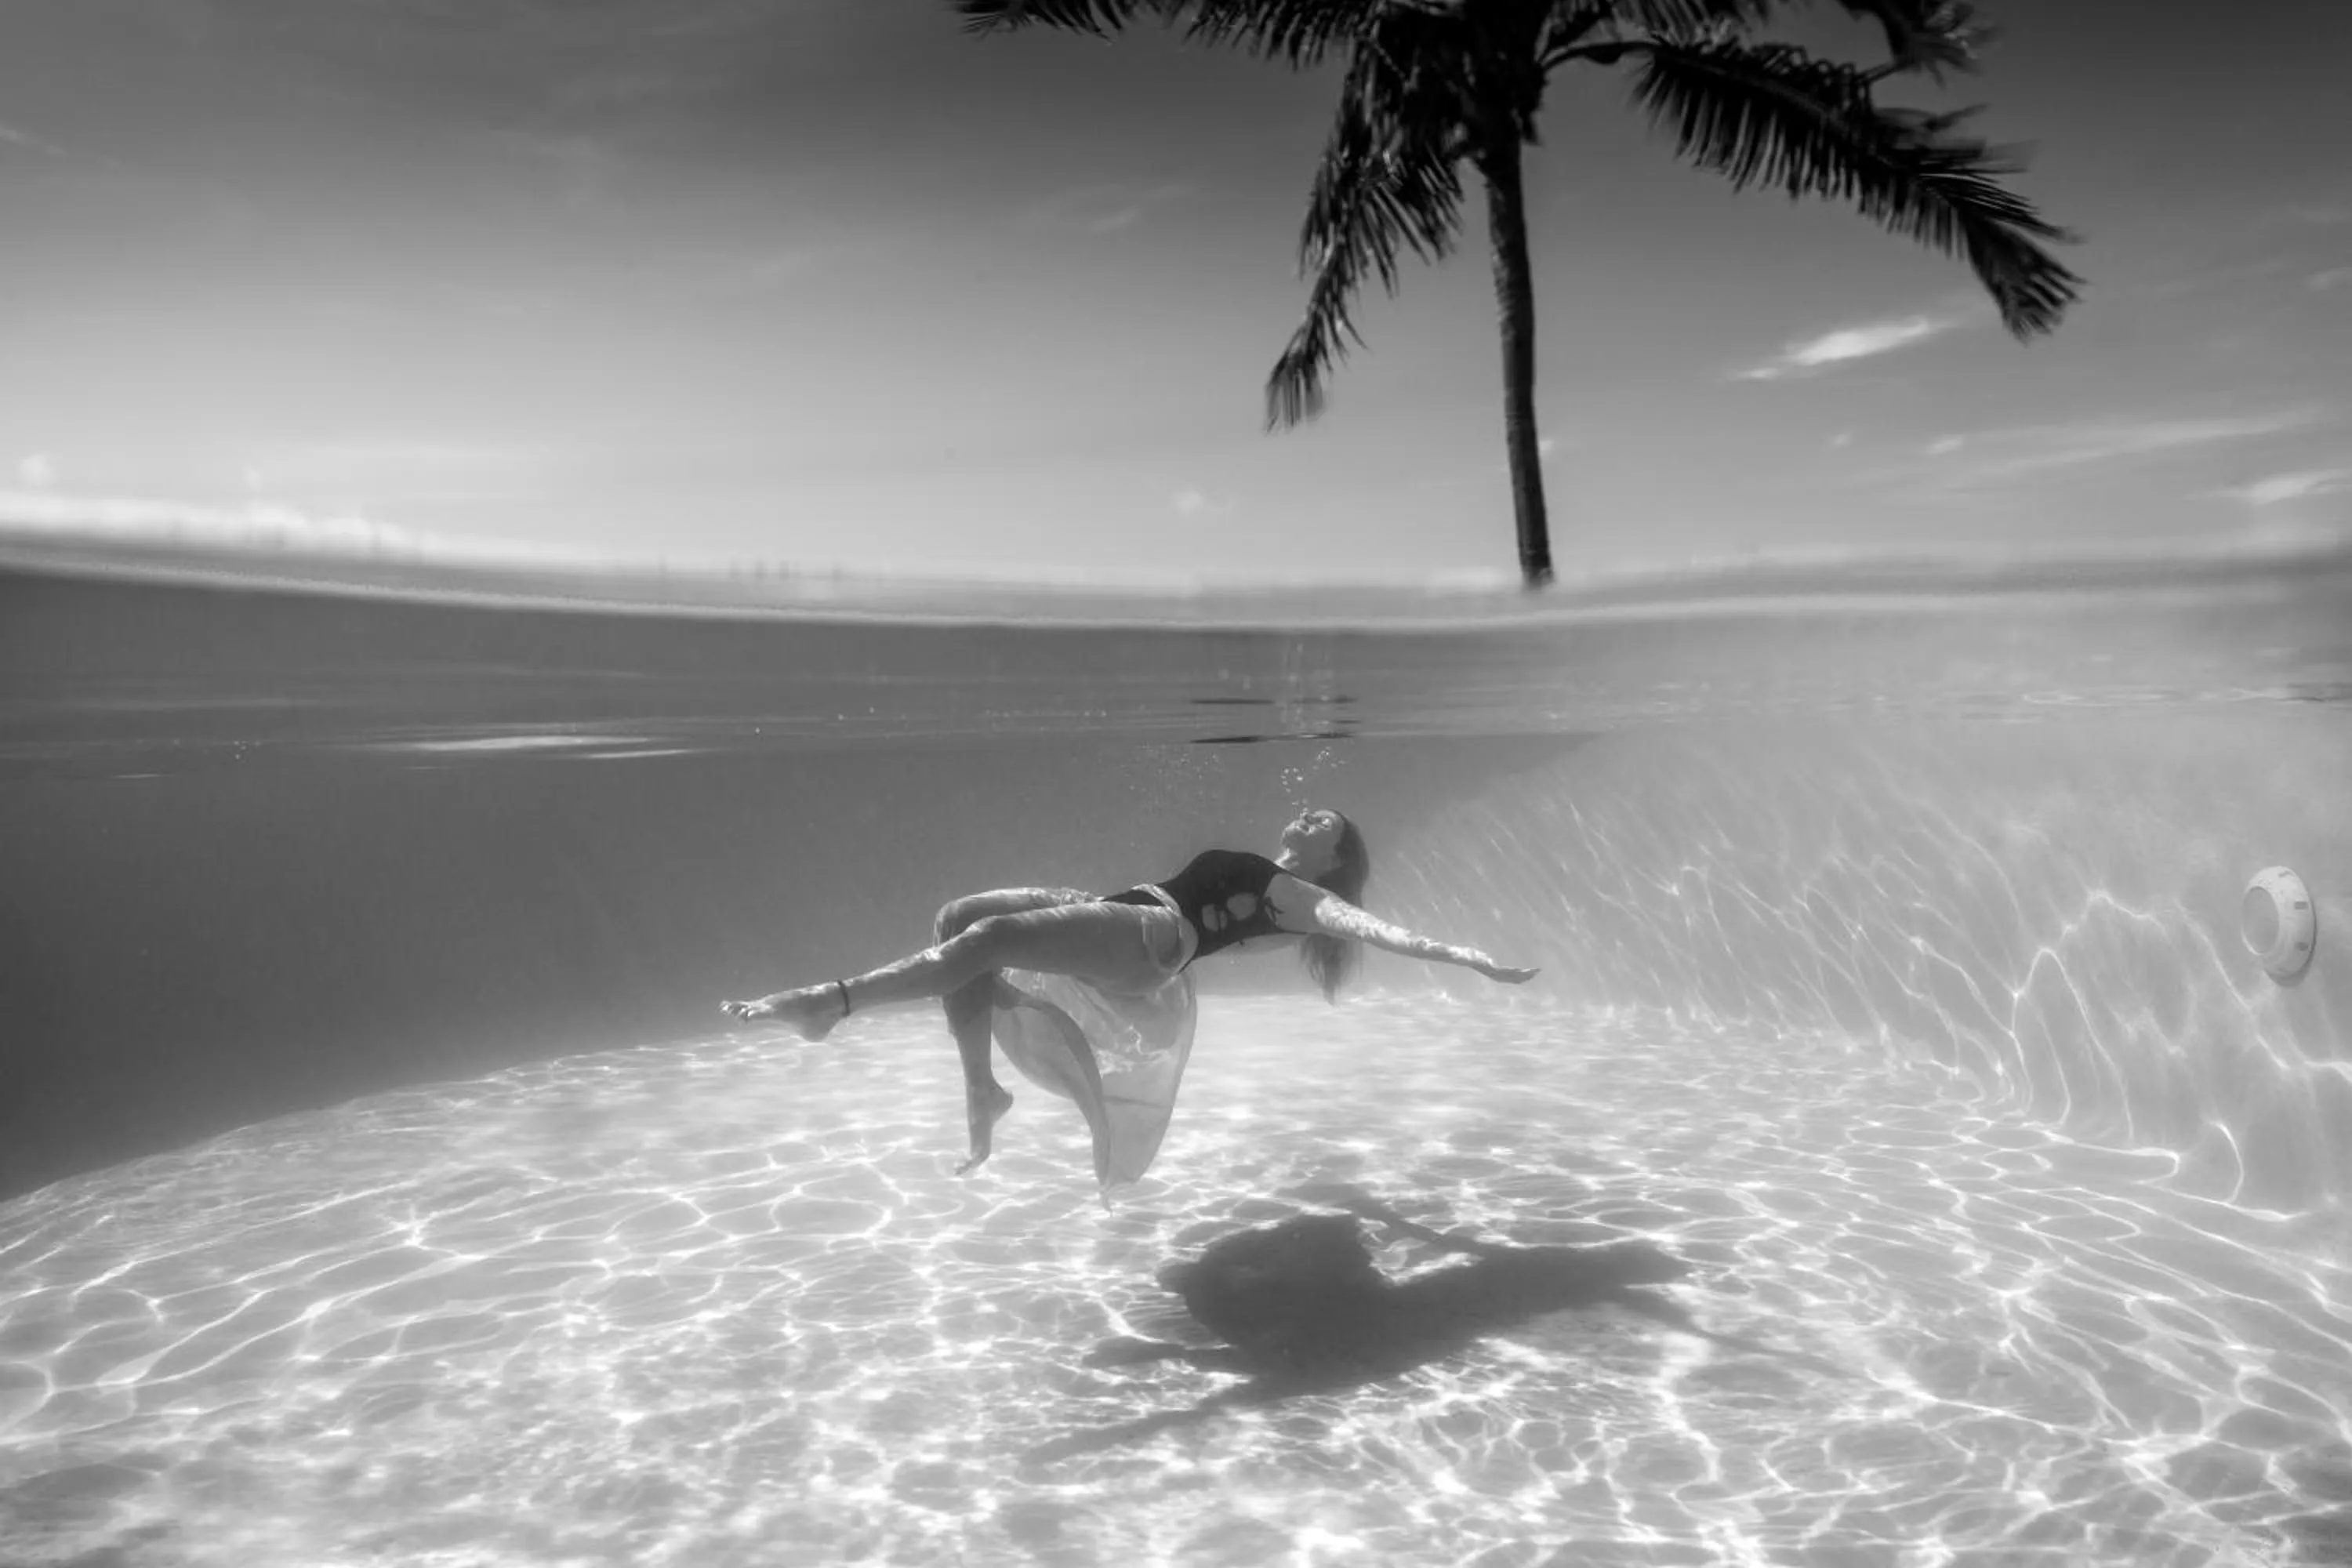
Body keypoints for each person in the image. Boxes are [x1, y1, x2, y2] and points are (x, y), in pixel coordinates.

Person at [720, 807, 1537, 1174]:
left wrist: (1469, 958)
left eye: (1331, 824)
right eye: (1317, 812)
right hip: (1127, 912)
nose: (1315, 813)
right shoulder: (1278, 882)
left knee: (990, 942)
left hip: (1148, 939)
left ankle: (831, 1002)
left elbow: (1375, 931)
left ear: (1331, 861)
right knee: (959, 916)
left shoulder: (1302, 897)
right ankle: (982, 1092)